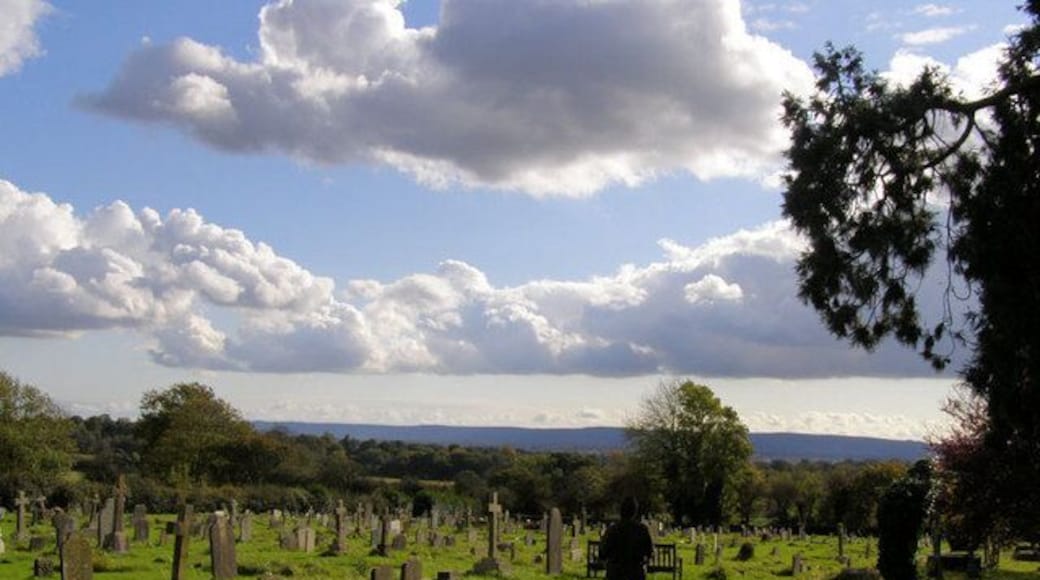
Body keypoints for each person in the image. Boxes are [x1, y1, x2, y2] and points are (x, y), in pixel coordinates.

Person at [599, 496, 653, 580]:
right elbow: (649, 552)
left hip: (615, 573)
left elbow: (602, 552)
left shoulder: (612, 529)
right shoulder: (642, 530)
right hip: (635, 572)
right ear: (635, 512)